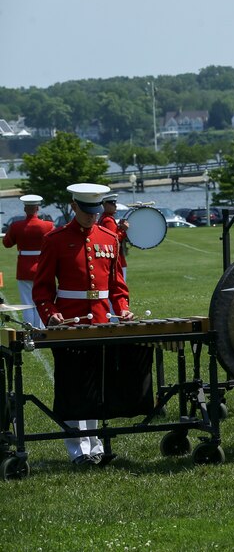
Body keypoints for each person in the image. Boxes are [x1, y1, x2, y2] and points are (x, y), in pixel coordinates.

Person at [33, 183, 132, 465]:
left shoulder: (109, 238)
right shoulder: (56, 239)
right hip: (69, 322)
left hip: (101, 321)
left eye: (96, 211)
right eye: (87, 212)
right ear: (74, 206)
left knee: (96, 385)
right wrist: (50, 313)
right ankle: (77, 449)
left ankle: (97, 444)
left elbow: (117, 287)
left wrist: (123, 309)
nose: (93, 217)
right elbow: (41, 289)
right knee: (72, 385)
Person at [2, 194, 51, 328]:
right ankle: (41, 328)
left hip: (24, 268)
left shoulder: (16, 226)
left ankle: (30, 328)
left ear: (25, 209)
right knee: (41, 301)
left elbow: (6, 243)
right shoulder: (48, 226)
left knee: (27, 303)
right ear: (38, 208)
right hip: (42, 267)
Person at [97, 193, 129, 281]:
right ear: (104, 205)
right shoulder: (108, 220)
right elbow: (114, 239)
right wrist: (123, 230)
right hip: (117, 260)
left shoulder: (104, 218)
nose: (115, 206)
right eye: (112, 203)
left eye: (115, 203)